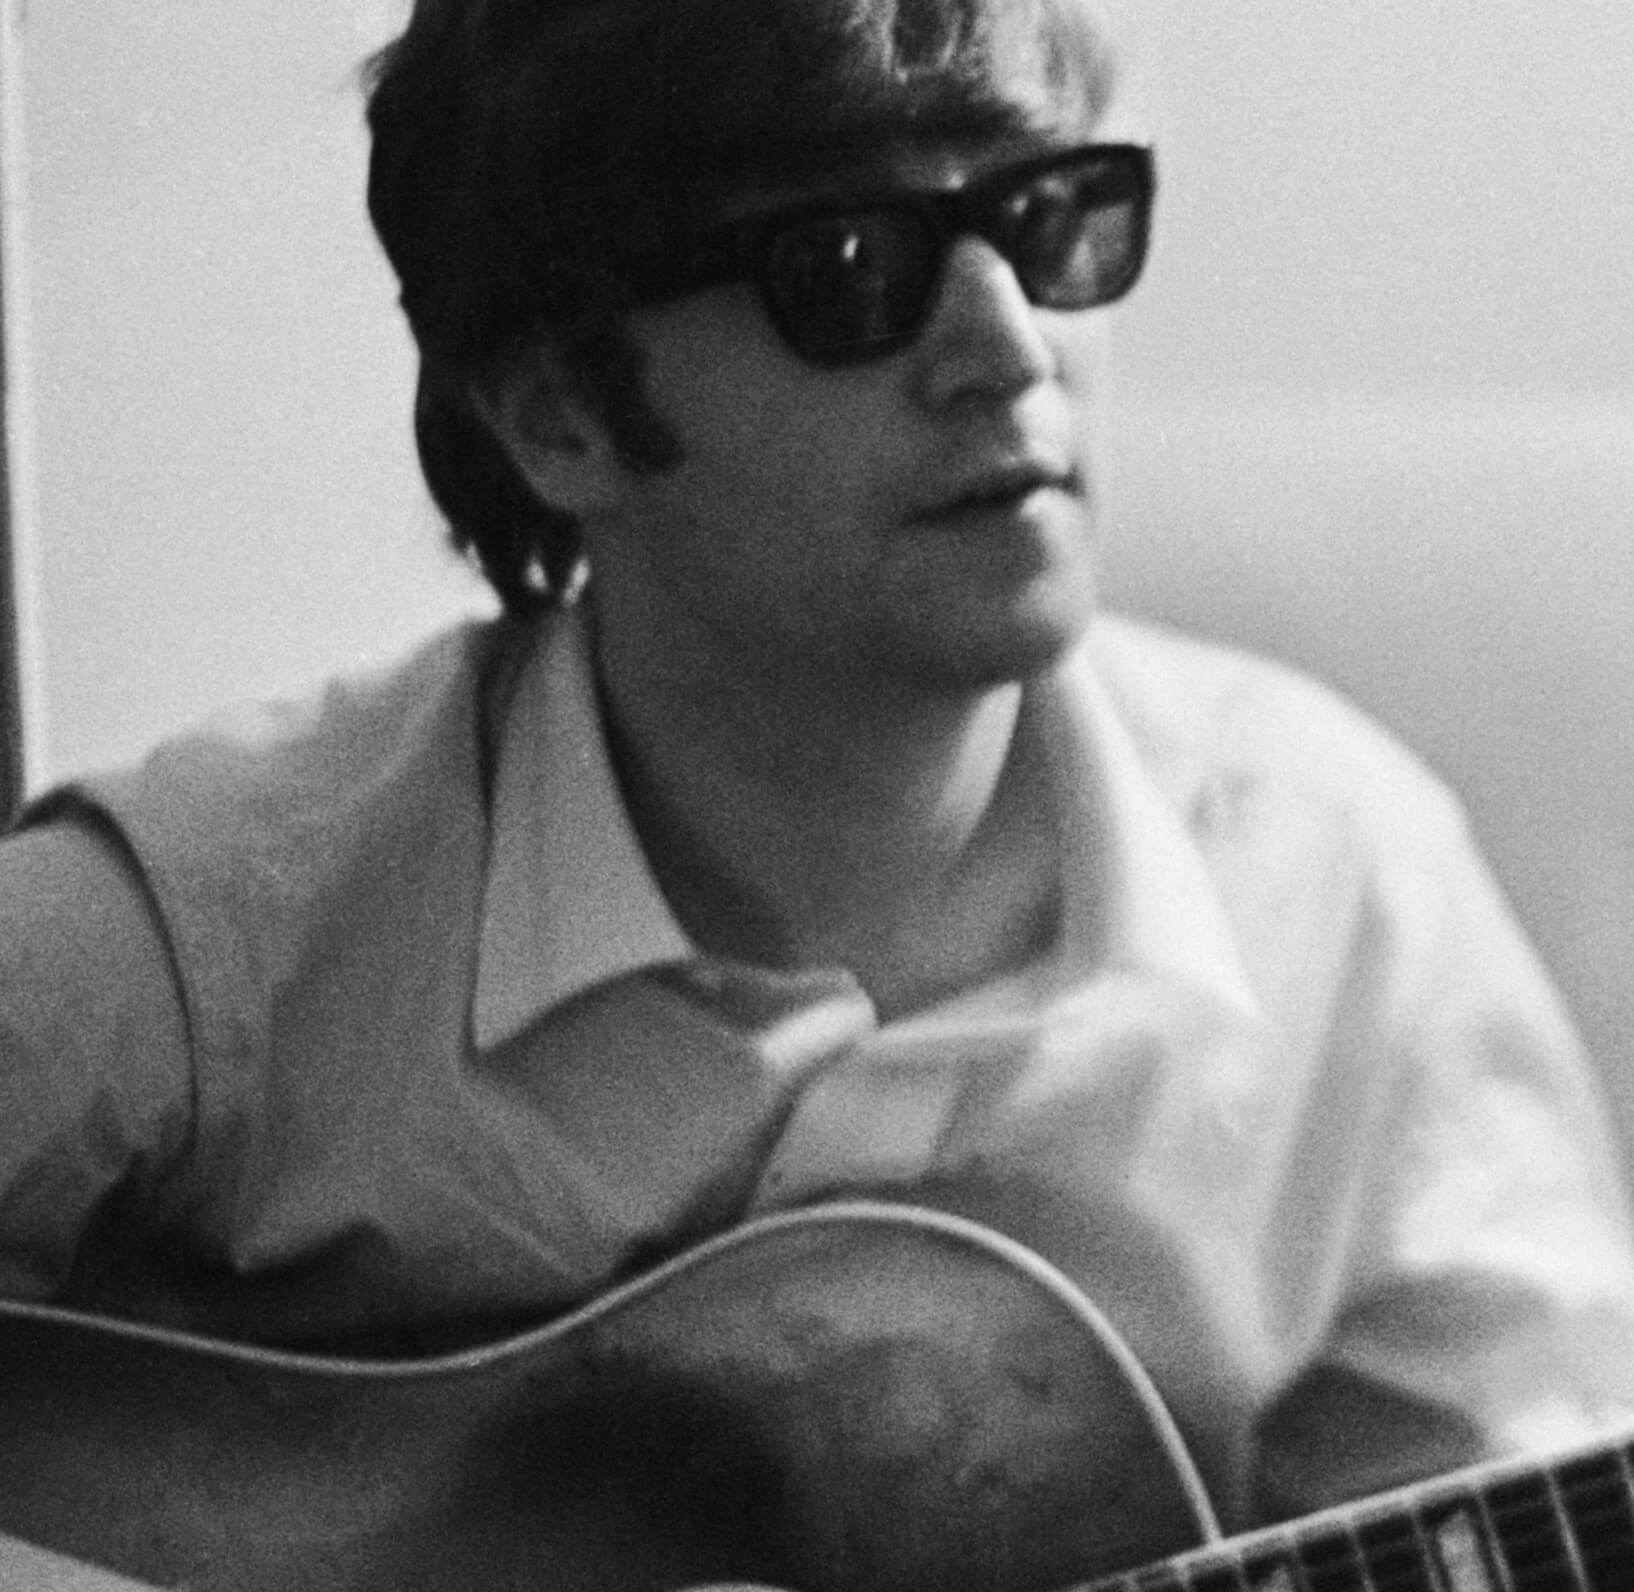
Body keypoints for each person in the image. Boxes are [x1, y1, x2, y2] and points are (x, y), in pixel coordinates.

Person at [2, 0, 1633, 1552]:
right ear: (558, 414)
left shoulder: (1340, 877)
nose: (1010, 349)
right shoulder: (209, 945)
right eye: (845, 267)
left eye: (1054, 216)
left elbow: (1511, 1486)